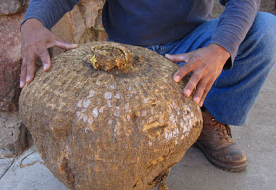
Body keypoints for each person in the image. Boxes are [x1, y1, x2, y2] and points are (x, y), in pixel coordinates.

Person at [20, 0, 276, 172]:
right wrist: (32, 22)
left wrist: (220, 49)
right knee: (113, 147)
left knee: (266, 30)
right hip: (127, 53)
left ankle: (207, 116)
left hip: (189, 49)